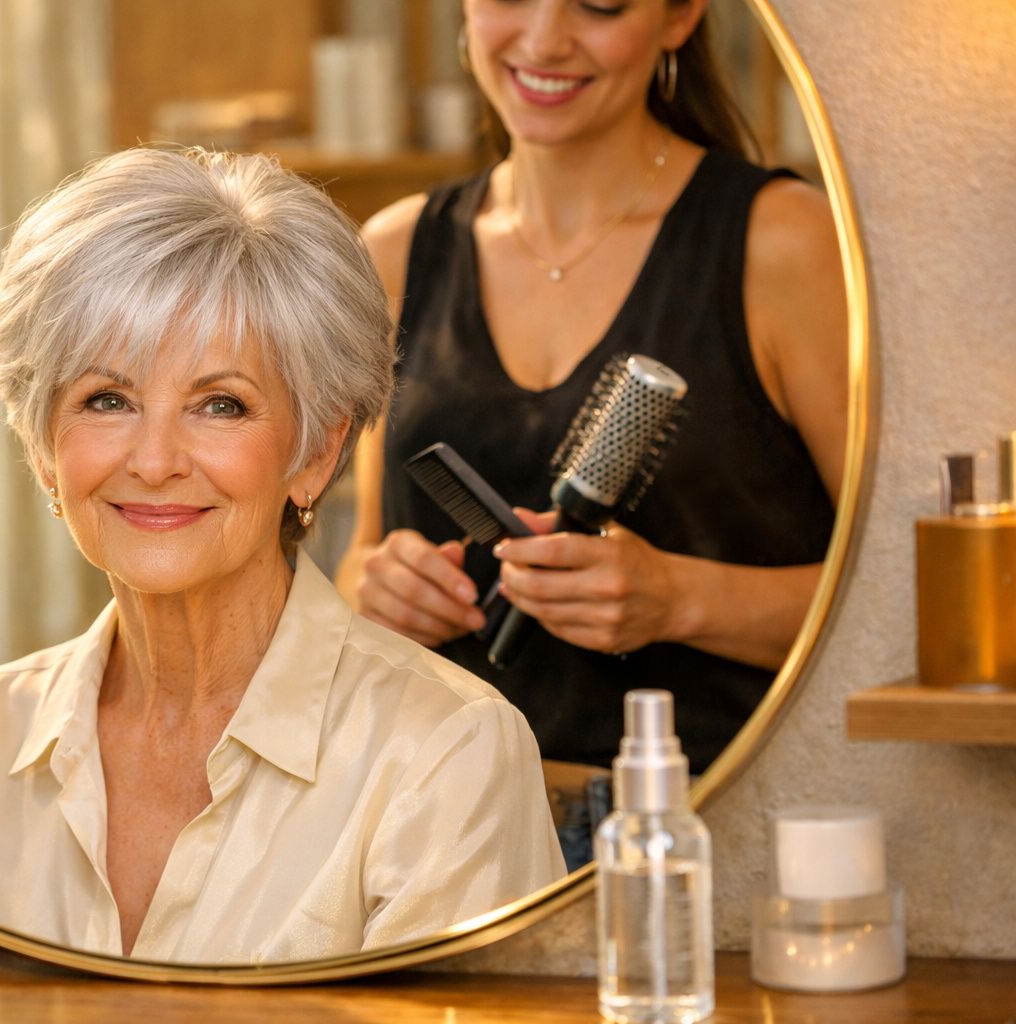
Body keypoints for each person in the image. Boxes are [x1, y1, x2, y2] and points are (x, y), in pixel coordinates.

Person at [0, 147, 564, 964]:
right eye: (107, 399)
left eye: (220, 404)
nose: (156, 459)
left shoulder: (451, 753)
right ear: (44, 452)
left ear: (314, 453)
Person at [337, 0, 846, 777]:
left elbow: (900, 597)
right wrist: (378, 592)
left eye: (600, 3)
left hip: (711, 829)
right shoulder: (397, 254)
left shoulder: (782, 245)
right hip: (443, 833)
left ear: (680, 18)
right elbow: (360, 557)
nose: (544, 39)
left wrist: (681, 598)